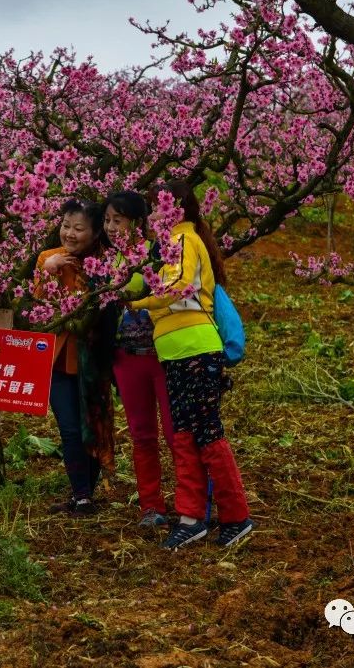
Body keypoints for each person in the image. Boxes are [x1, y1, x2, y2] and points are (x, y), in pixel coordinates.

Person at [130, 180, 254, 549]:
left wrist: (136, 304)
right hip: (176, 351)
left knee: (206, 433)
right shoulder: (164, 247)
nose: (152, 215)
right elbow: (145, 282)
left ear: (175, 208)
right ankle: (191, 516)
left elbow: (179, 285)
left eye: (156, 207)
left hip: (197, 349)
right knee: (184, 435)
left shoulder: (183, 240)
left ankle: (236, 516)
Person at [99, 191, 176, 528]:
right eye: (107, 220)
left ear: (138, 222)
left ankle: (195, 500)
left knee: (178, 434)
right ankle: (151, 505)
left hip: (164, 355)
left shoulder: (159, 254)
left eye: (118, 220)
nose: (111, 227)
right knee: (142, 434)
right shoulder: (106, 260)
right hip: (127, 358)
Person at [34, 199, 115, 517]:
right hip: (56, 357)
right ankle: (80, 494)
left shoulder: (106, 263)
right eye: (66, 226)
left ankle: (87, 491)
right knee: (68, 428)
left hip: (92, 357)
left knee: (92, 426)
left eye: (79, 228)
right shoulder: (47, 258)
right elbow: (37, 309)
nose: (69, 233)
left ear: (95, 233)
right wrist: (48, 271)